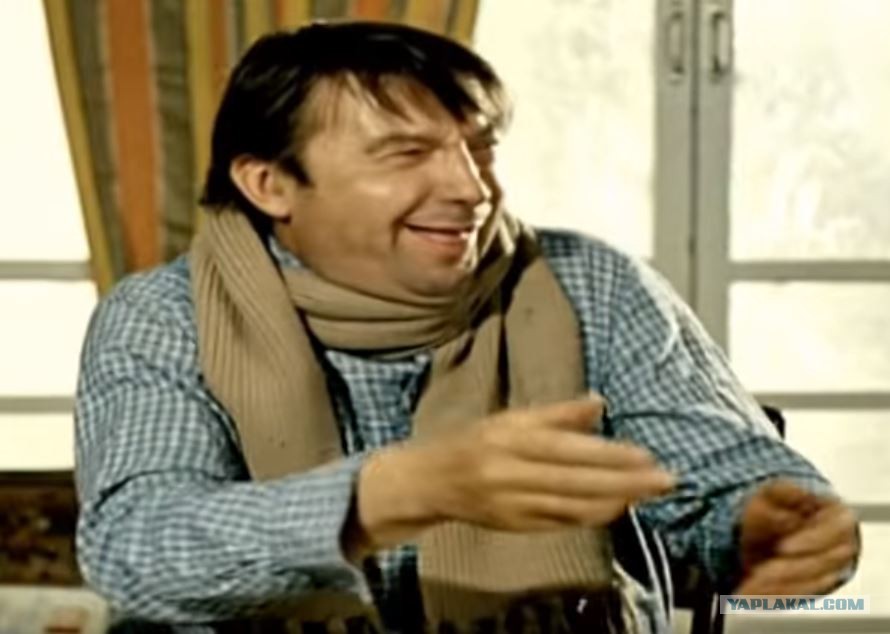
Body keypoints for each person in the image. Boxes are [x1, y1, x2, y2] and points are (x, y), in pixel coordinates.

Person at [74, 21, 859, 634]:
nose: (471, 189)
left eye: (479, 149)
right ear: (269, 183)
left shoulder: (591, 285)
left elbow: (729, 485)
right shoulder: (163, 316)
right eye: (406, 153)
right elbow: (139, 549)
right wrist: (397, 493)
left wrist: (771, 526)